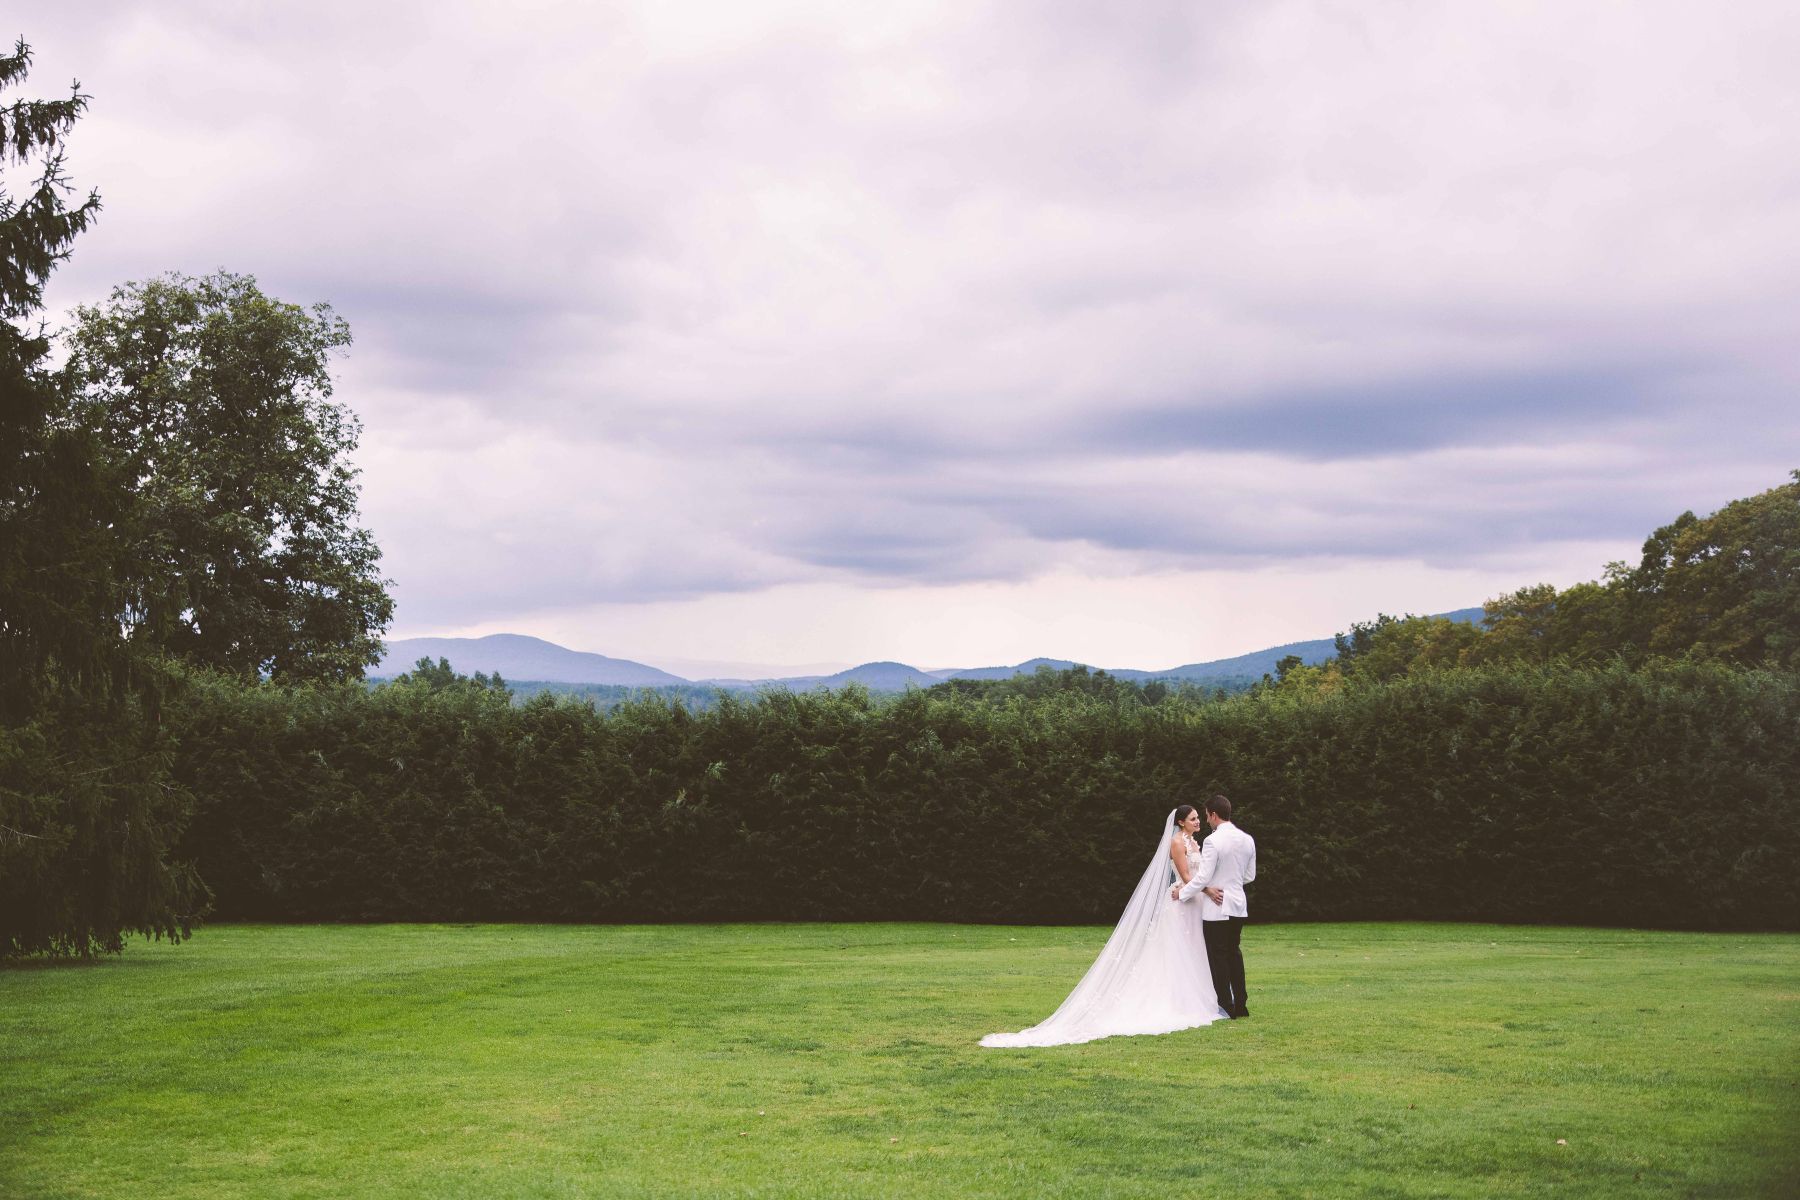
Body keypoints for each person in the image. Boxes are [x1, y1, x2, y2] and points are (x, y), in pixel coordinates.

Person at [979, 806, 1222, 1047]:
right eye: (1193, 819)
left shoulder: (1193, 841)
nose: (1198, 821)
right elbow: (1186, 878)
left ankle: (1189, 998)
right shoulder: (1178, 843)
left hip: (1192, 902)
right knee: (1174, 954)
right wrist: (1208, 890)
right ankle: (1176, 1002)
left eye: (1198, 818)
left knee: (1191, 952)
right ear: (1180, 822)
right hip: (1180, 905)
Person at [1172, 794, 1256, 1018]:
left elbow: (1202, 878)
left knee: (1218, 956)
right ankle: (1241, 1004)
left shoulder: (1212, 841)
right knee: (1234, 952)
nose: (1206, 820)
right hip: (1238, 904)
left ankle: (1226, 1005)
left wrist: (1182, 894)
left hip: (1216, 906)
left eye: (1206, 816)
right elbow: (1249, 875)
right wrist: (1231, 883)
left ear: (1214, 815)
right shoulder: (1247, 839)